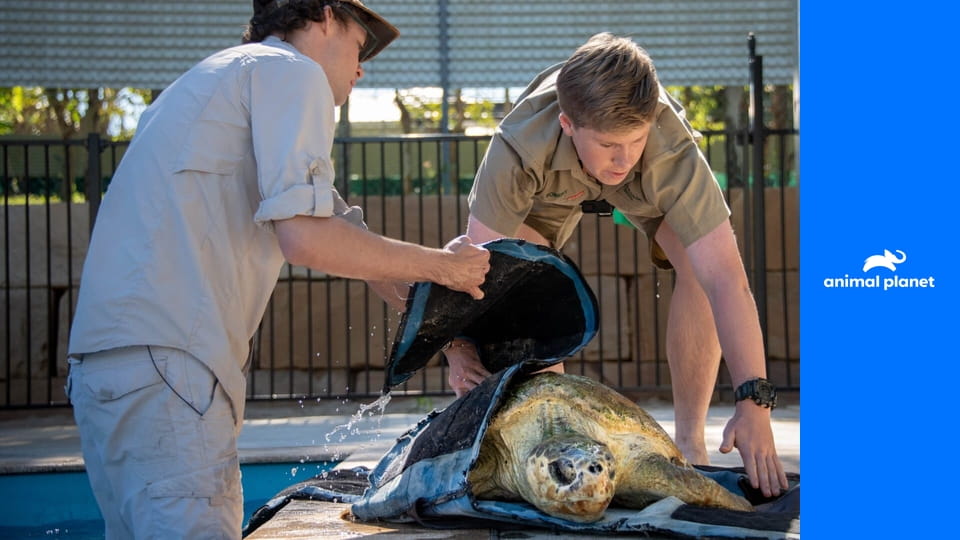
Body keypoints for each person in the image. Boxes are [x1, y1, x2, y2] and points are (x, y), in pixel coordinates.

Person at [65, 1, 490, 538]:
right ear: (326, 17)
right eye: (361, 47)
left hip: (105, 369)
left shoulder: (210, 81)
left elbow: (347, 238)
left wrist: (451, 340)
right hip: (171, 366)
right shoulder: (292, 72)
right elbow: (307, 239)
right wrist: (447, 267)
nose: (362, 69)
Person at [443, 32, 789, 499]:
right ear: (567, 123)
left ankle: (689, 439)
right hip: (548, 189)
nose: (624, 158)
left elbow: (727, 278)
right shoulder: (517, 147)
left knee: (697, 261)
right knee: (523, 277)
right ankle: (556, 445)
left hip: (648, 188)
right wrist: (458, 349)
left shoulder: (668, 147)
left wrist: (755, 403)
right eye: (610, 144)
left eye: (635, 140)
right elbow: (477, 271)